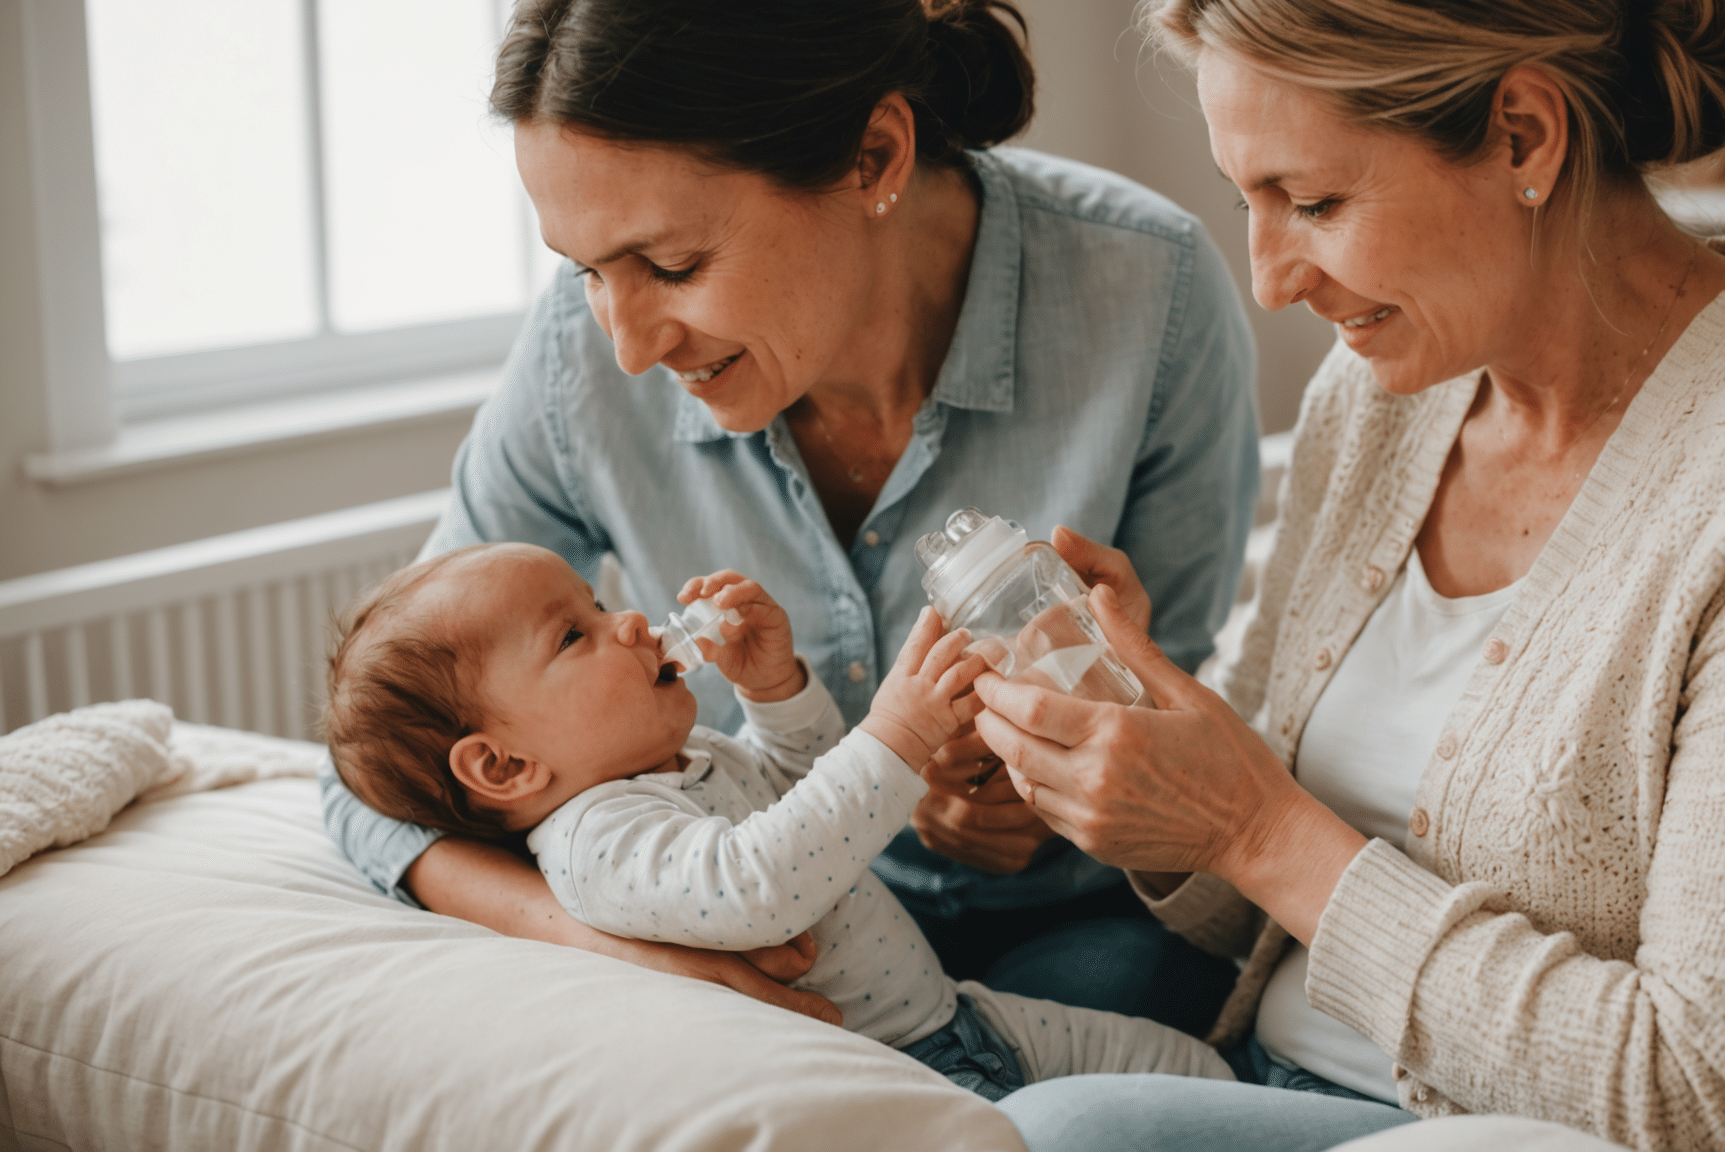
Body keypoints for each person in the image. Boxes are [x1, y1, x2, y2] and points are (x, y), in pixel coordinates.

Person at [971, 0, 1725, 1149]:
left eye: (1314, 202)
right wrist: (1140, 752)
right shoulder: (1378, 400)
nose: (1270, 281)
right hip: (1282, 1087)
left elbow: (1716, 1102)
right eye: (1248, 202)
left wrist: (1249, 828)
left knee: (1057, 1134)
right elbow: (1253, 897)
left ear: (1524, 135)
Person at [317, 0, 1259, 1037]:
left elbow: (1170, 716)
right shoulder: (575, 361)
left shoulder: (1149, 292)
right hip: (765, 944)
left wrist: (1045, 801)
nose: (627, 347)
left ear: (872, 155)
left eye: (672, 265)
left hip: (1071, 929)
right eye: (587, 271)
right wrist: (594, 937)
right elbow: (383, 752)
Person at [322, 543, 1234, 1099]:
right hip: (899, 1069)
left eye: (598, 605)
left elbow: (803, 791)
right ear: (504, 765)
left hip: (963, 1016)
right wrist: (901, 730)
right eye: (575, 635)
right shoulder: (597, 843)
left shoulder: (678, 762)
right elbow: (761, 884)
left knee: (1200, 1074)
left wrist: (775, 691)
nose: (632, 622)